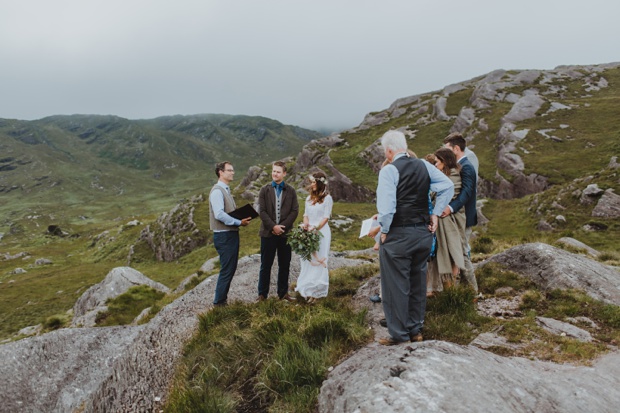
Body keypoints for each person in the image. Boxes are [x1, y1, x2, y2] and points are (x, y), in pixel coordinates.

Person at [368, 130, 454, 345]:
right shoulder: (423, 165)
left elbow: (387, 209)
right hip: (422, 234)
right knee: (417, 282)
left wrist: (384, 231)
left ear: (389, 150)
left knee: (395, 285)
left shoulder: (389, 171)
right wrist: (435, 212)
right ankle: (415, 329)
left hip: (399, 234)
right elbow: (448, 186)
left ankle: (399, 335)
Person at [209, 161, 252, 306]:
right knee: (227, 270)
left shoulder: (225, 190)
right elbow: (219, 214)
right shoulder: (217, 191)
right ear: (220, 172)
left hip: (229, 235)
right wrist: (239, 222)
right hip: (224, 236)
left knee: (230, 268)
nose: (233, 172)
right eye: (229, 170)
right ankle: (219, 303)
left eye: (233, 170)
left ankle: (222, 300)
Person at [257, 161, 299, 302]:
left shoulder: (291, 191)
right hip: (267, 234)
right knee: (265, 265)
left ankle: (283, 294)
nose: (275, 174)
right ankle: (262, 295)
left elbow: (294, 211)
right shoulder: (264, 190)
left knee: (284, 264)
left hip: (285, 235)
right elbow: (261, 211)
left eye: (278, 172)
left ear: (284, 174)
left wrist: (282, 227)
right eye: (274, 171)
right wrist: (273, 227)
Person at [426, 147, 466, 295]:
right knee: (441, 254)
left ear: (444, 161)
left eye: (437, 162)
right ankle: (441, 290)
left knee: (449, 253)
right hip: (442, 221)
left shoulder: (453, 176)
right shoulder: (446, 175)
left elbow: (449, 196)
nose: (435, 165)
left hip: (448, 223)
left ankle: (449, 293)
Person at [441, 133, 478, 292]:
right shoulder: (459, 166)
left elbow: (467, 192)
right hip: (458, 217)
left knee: (462, 252)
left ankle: (473, 291)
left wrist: (451, 208)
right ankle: (463, 288)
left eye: (448, 149)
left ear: (456, 149)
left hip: (464, 218)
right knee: (459, 252)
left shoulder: (467, 167)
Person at [295, 171, 333, 303]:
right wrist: (306, 225)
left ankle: (317, 292)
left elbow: (326, 217)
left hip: (321, 232)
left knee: (320, 258)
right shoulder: (308, 198)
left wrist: (315, 228)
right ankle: (308, 289)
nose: (311, 185)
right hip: (309, 230)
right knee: (307, 259)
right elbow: (306, 214)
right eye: (311, 182)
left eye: (313, 182)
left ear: (320, 183)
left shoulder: (327, 198)